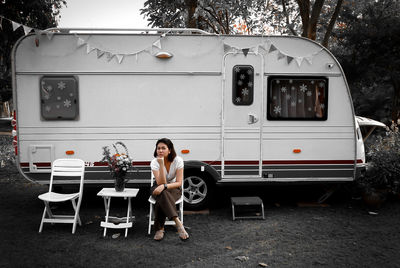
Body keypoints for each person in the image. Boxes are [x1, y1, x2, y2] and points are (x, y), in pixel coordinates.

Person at [150, 138, 189, 241]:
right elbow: (160, 183)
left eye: (163, 148)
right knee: (162, 193)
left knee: (161, 197)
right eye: (158, 148)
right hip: (157, 186)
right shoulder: (154, 162)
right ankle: (178, 222)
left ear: (170, 150)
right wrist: (161, 164)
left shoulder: (178, 160)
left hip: (174, 187)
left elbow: (179, 182)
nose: (160, 151)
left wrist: (165, 186)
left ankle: (160, 229)